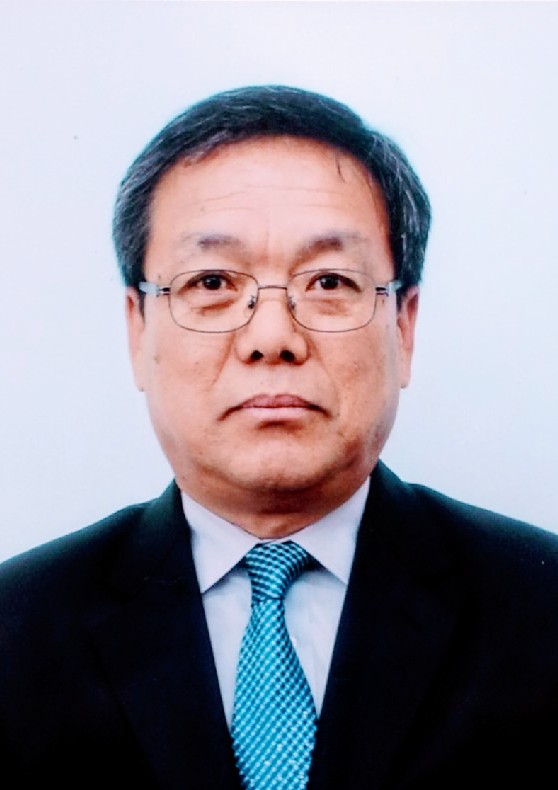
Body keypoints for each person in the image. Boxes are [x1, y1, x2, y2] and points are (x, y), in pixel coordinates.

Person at [0, 85, 557, 790]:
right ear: (138, 331)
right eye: (212, 281)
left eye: (329, 280)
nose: (272, 336)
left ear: (404, 326)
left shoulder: (542, 610)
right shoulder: (15, 631)